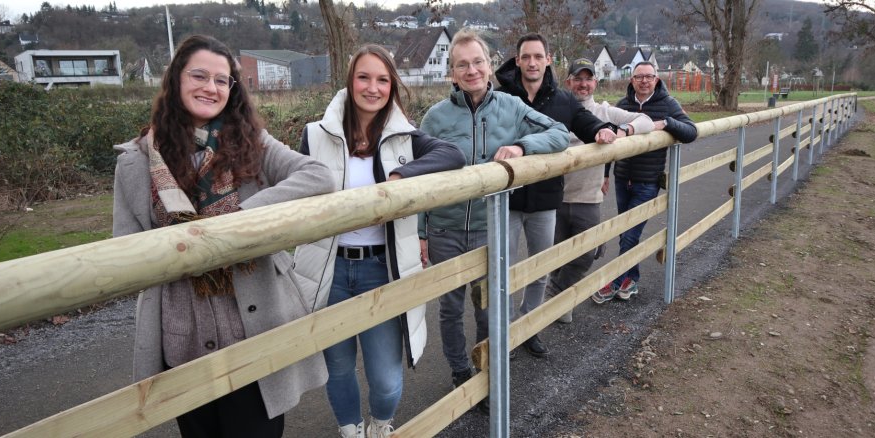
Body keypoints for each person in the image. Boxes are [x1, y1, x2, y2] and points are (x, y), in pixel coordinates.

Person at [112, 35, 334, 437]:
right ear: (176, 79)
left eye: (222, 80)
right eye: (199, 75)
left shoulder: (251, 143)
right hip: (182, 336)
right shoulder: (136, 161)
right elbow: (123, 251)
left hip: (254, 325)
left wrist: (239, 222)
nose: (210, 88)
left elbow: (318, 176)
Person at [293, 44, 464, 438]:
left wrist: (403, 176)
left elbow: (452, 155)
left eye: (382, 80)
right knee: (336, 368)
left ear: (393, 86)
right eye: (364, 77)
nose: (373, 87)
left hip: (381, 270)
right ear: (350, 81)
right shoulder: (314, 136)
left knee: (385, 377)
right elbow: (296, 192)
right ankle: (350, 429)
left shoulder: (405, 139)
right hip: (329, 270)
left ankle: (381, 424)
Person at [419, 28, 569, 393]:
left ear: (489, 66)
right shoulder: (434, 118)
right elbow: (420, 178)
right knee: (451, 307)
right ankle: (459, 371)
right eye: (462, 65)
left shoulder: (511, 107)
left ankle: (485, 366)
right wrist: (422, 234)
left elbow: (560, 134)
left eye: (477, 62)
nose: (471, 70)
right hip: (445, 228)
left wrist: (521, 145)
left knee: (489, 306)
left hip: (491, 228)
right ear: (451, 73)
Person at [494, 34, 618, 356]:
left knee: (540, 268)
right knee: (504, 268)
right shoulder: (501, 96)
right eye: (526, 57)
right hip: (506, 199)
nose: (532, 63)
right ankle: (506, 331)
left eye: (538, 56)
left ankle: (529, 325)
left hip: (546, 201)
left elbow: (584, 121)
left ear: (548, 59)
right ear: (518, 60)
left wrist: (602, 130)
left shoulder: (562, 100)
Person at [545, 58, 656, 323]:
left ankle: (555, 295)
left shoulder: (605, 113)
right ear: (569, 81)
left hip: (588, 198)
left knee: (586, 254)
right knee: (556, 255)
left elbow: (646, 121)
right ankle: (558, 304)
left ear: (595, 82)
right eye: (578, 78)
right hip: (556, 198)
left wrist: (624, 130)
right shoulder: (556, 110)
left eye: (588, 79)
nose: (583, 84)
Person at [595, 61, 697, 303]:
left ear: (656, 80)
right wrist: (606, 173)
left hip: (646, 181)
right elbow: (610, 139)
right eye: (639, 77)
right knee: (625, 233)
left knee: (630, 234)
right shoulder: (624, 106)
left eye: (649, 77)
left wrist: (667, 124)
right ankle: (632, 279)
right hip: (623, 178)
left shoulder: (668, 104)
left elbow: (691, 131)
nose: (644, 81)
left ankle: (617, 280)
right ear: (632, 80)